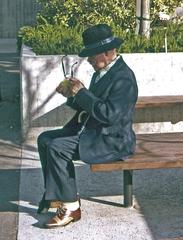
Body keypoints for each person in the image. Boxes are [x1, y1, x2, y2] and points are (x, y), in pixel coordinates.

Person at [37, 23, 138, 228]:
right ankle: (59, 196)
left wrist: (81, 92)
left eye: (92, 54)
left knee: (57, 148)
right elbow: (94, 106)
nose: (89, 60)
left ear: (108, 52)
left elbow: (109, 115)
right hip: (96, 132)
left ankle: (71, 208)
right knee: (45, 139)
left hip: (113, 140)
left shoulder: (124, 78)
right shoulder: (101, 72)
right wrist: (72, 95)